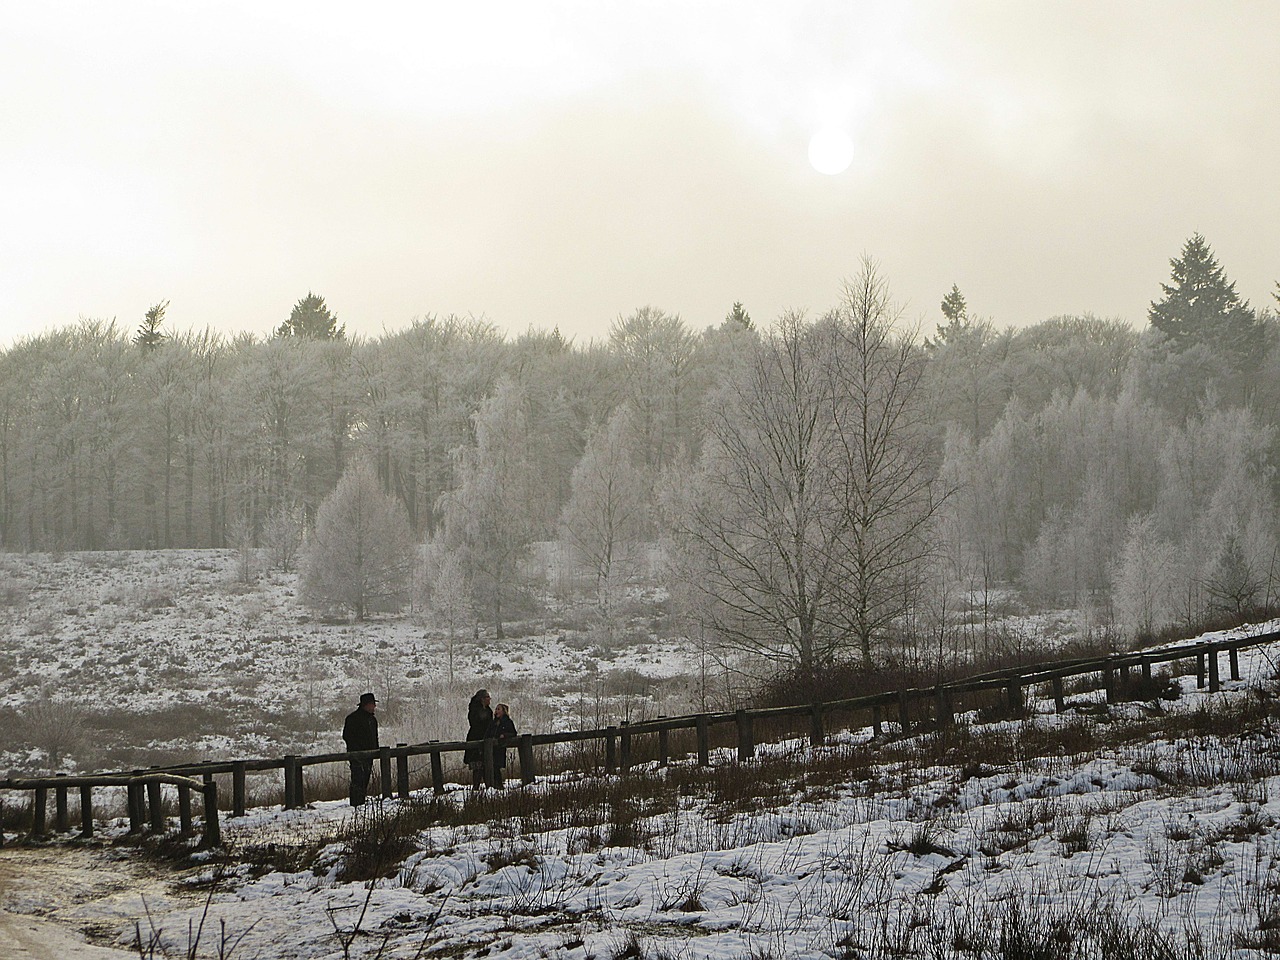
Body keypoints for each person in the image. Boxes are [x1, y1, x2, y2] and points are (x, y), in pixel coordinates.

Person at [342, 692, 379, 806]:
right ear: (366, 705)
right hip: (357, 756)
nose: (374, 707)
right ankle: (356, 803)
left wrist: (375, 750)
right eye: (373, 704)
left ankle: (360, 802)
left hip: (369, 755)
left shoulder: (372, 720)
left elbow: (374, 737)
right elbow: (347, 736)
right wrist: (357, 751)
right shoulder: (353, 719)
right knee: (358, 779)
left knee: (365, 779)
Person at [463, 689, 492, 789]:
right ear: (482, 699)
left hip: (486, 739)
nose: (489, 700)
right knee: (477, 765)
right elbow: (476, 724)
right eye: (487, 697)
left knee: (486, 764)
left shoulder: (488, 710)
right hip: (475, 738)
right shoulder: (475, 710)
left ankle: (489, 787)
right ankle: (476, 787)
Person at [487, 703, 518, 789]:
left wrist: (504, 735)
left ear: (504, 711)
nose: (496, 711)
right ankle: (495, 785)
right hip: (491, 747)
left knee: (496, 766)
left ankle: (499, 785)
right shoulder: (493, 723)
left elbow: (513, 733)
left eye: (498, 709)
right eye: (496, 709)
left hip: (500, 747)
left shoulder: (507, 722)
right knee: (491, 766)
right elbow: (488, 733)